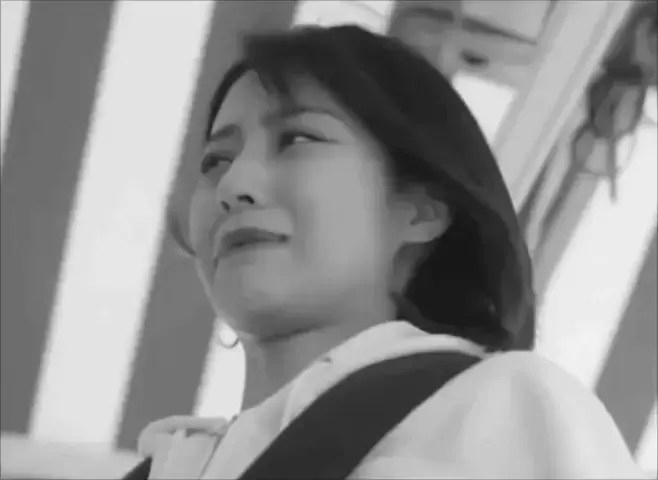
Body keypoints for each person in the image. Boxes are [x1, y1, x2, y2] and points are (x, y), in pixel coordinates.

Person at [133, 25, 644, 479]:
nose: (232, 185)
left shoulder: (503, 409)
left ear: (420, 209)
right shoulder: (165, 465)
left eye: (297, 138)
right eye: (215, 160)